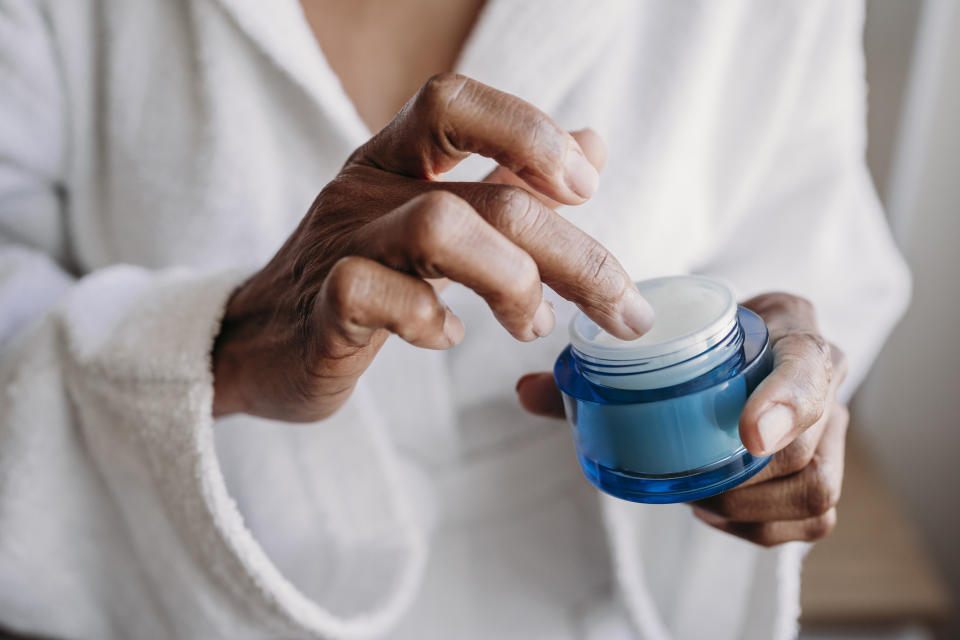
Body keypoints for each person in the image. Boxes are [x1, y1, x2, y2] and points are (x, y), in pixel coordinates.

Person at [0, 0, 909, 638]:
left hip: (597, 604)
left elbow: (807, 237)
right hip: (190, 601)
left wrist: (778, 389)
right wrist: (219, 346)